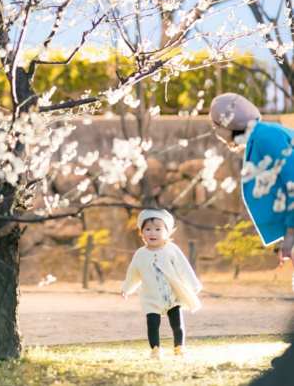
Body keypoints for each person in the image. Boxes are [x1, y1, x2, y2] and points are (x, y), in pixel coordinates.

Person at [209, 93, 294, 289]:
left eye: (215, 127)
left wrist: (290, 233)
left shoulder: (266, 137)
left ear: (226, 126)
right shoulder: (262, 135)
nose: (216, 133)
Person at [121, 208, 202, 359]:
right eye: (148, 229)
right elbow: (133, 274)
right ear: (141, 232)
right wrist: (127, 288)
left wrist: (193, 285)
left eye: (158, 229)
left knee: (177, 324)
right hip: (151, 298)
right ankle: (155, 349)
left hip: (172, 296)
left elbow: (184, 268)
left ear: (167, 232)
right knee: (152, 324)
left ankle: (179, 347)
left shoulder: (171, 250)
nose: (153, 233)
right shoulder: (140, 254)